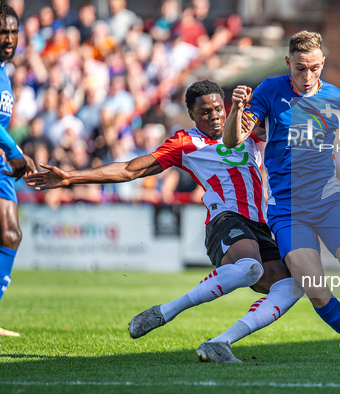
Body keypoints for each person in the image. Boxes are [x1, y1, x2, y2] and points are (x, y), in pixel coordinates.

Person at [25, 80, 302, 362]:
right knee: (249, 268)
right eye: (204, 112)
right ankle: (166, 311)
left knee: (293, 285)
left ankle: (219, 342)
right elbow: (131, 169)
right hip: (224, 219)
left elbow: (285, 125)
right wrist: (73, 177)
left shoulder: (246, 130)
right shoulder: (186, 142)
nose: (214, 116)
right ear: (192, 115)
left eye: (218, 108)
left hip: (260, 224)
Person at [223, 31, 340, 337]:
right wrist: (236, 109)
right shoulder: (270, 91)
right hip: (286, 208)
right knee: (313, 285)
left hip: (328, 201)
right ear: (288, 63)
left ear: (323, 63)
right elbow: (234, 140)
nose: (307, 75)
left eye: (314, 68)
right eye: (300, 68)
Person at [0, 3, 37, 337]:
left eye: (13, 31)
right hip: (4, 156)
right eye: (3, 31)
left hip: (0, 165)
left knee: (10, 233)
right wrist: (16, 150)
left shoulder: (4, 71)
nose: (9, 38)